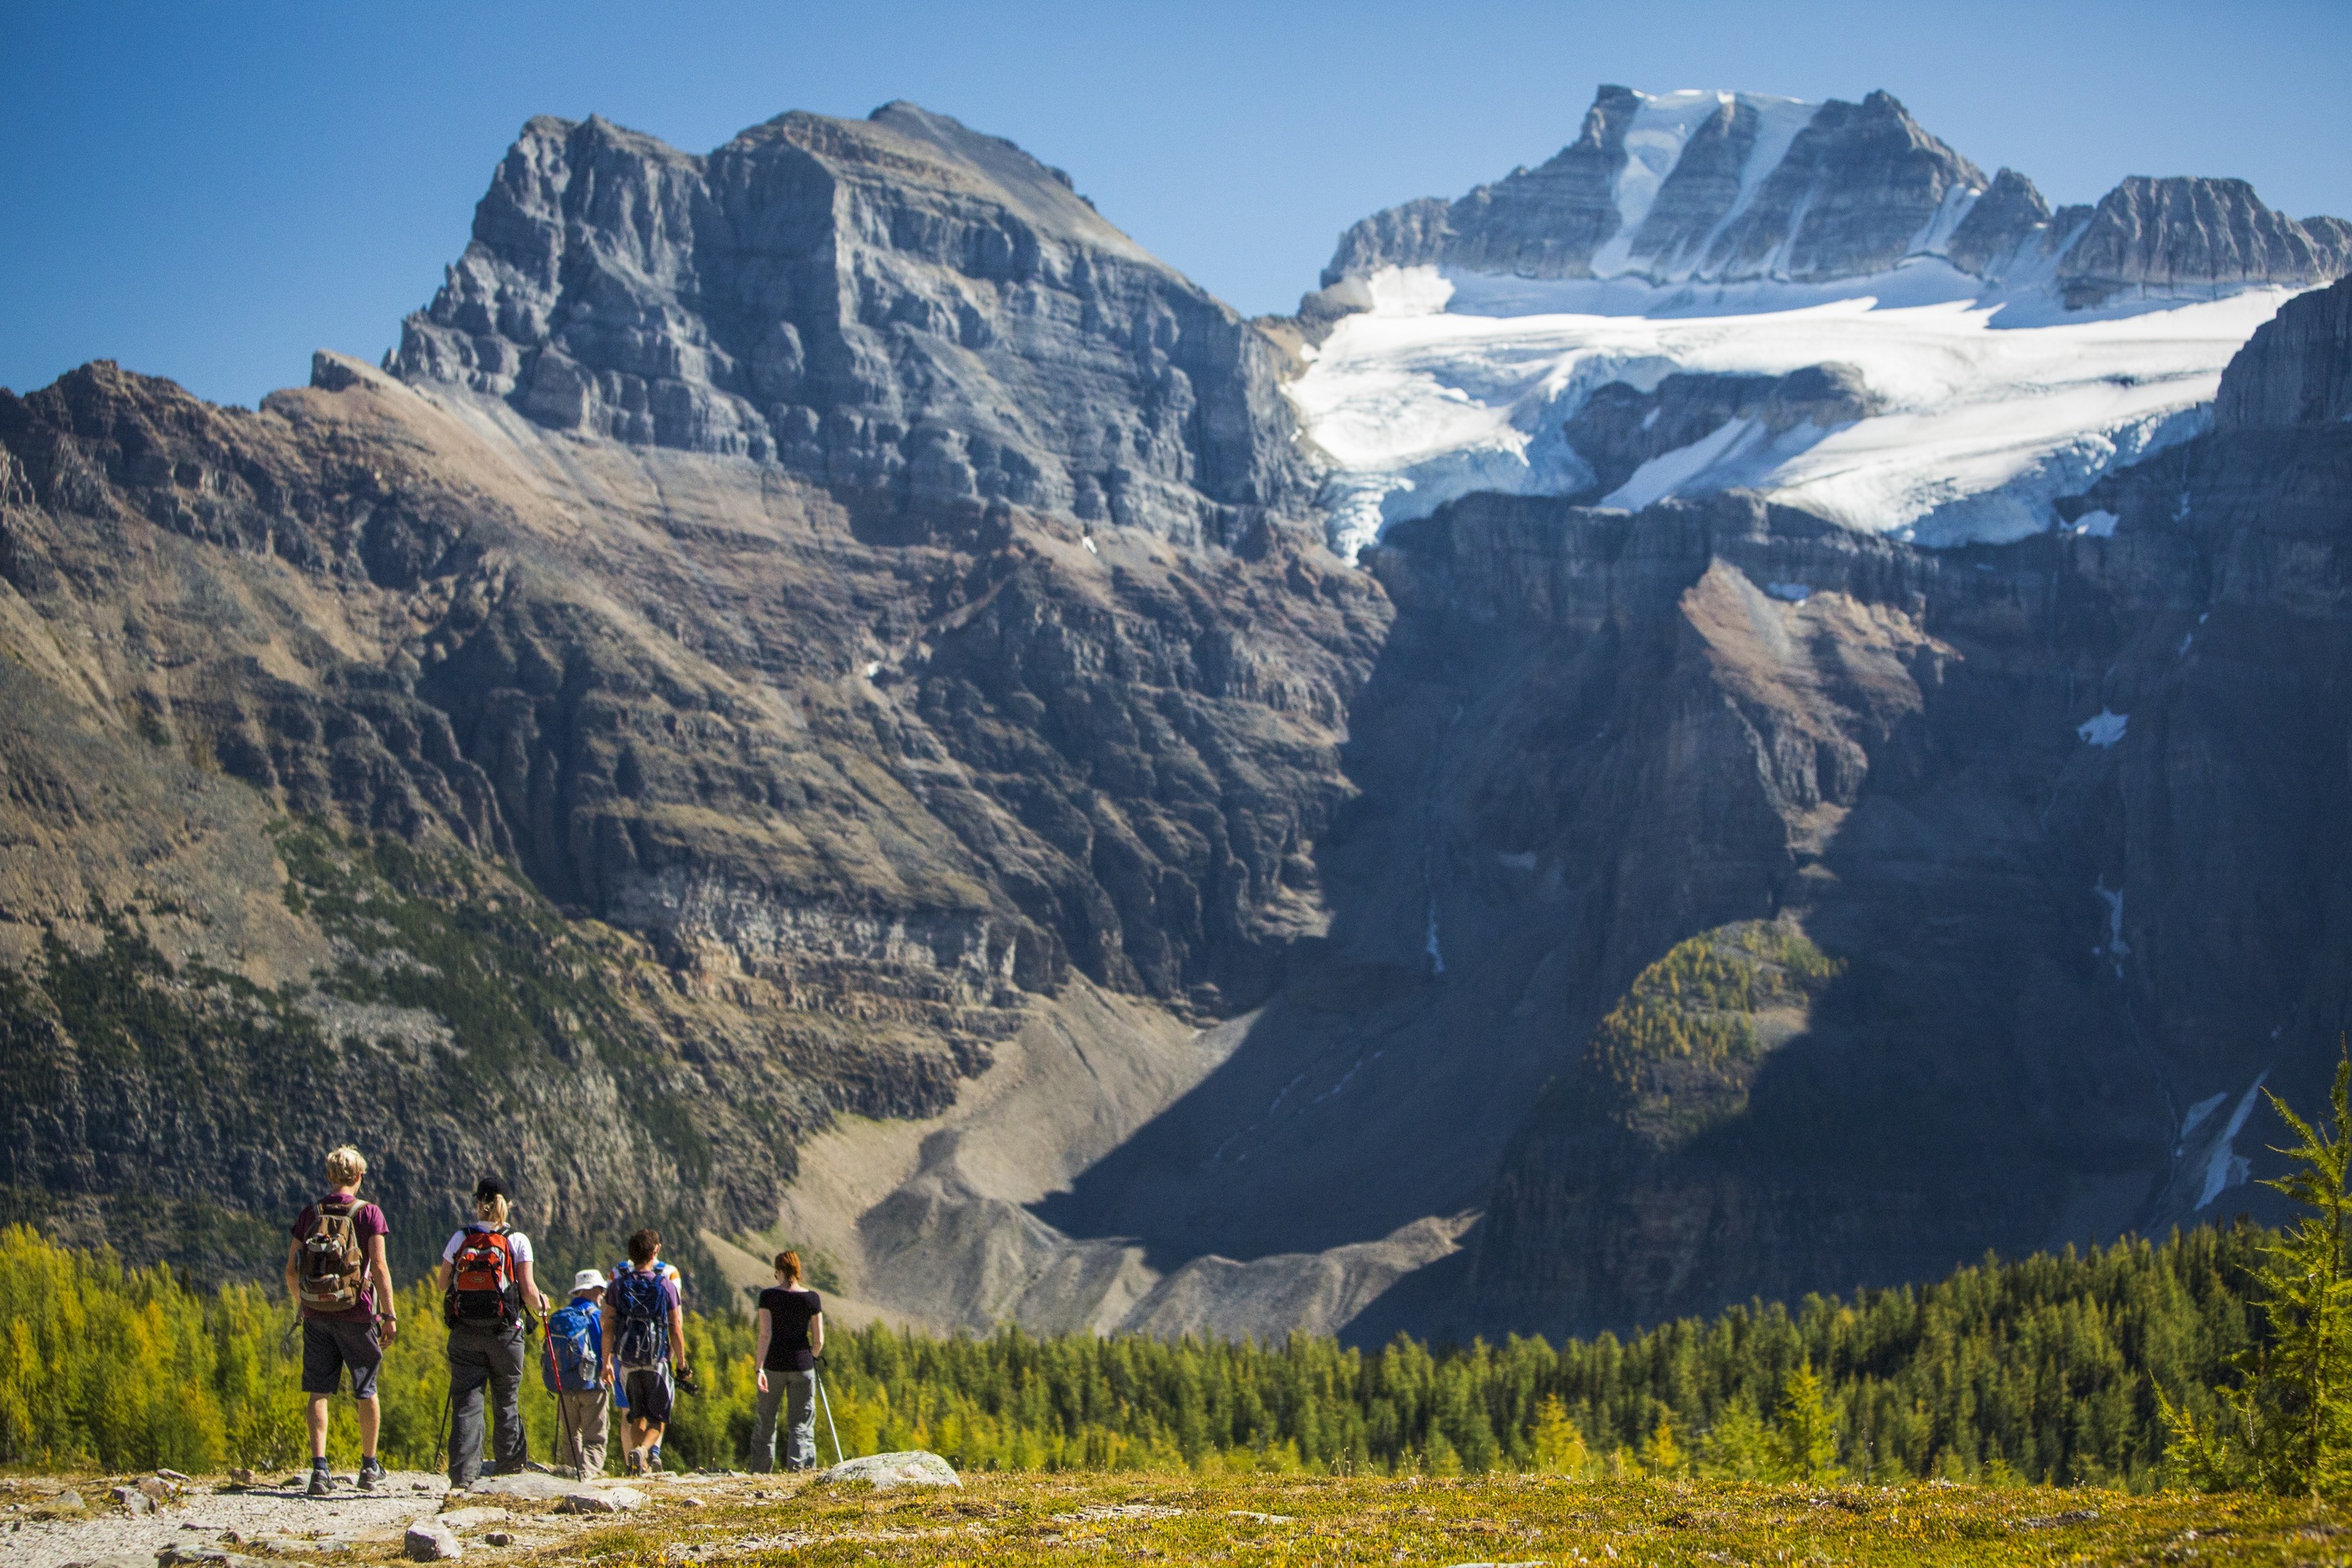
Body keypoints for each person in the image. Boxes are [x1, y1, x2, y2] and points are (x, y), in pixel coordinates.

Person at [285, 1146, 398, 1497]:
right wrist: (389, 1315)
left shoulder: (311, 1213)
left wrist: (303, 1304)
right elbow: (378, 1268)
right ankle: (369, 1467)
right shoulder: (369, 1214)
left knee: (319, 1391)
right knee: (366, 1389)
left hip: (317, 1314)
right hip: (357, 1312)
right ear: (359, 1176)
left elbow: (291, 1269)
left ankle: (319, 1471)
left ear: (330, 1176)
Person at [438, 1177, 547, 1490]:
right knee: (506, 1401)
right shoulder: (517, 1240)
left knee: (467, 1402)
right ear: (507, 1204)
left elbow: (442, 1284)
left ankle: (462, 1476)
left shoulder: (461, 1237)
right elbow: (527, 1291)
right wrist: (541, 1307)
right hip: (505, 1333)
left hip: (465, 1332)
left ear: (477, 1203)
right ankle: (510, 1471)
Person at [607, 1227, 688, 1477]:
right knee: (658, 1416)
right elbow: (676, 1326)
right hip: (657, 1357)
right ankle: (644, 1453)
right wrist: (681, 1363)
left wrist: (607, 1360)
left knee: (632, 1414)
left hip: (626, 1359)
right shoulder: (667, 1278)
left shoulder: (618, 1277)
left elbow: (607, 1323)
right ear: (655, 1251)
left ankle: (634, 1465)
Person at [748, 1250, 825, 1472]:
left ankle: (760, 1472)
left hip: (773, 1366)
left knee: (766, 1420)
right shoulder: (812, 1298)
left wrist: (759, 1368)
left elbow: (765, 1334)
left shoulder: (768, 1297)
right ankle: (800, 1471)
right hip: (802, 1366)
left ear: (779, 1271)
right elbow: (819, 1340)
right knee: (801, 1424)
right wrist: (811, 1357)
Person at [541, 1268, 612, 1477]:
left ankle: (571, 1471)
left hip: (564, 1384)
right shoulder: (597, 1316)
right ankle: (588, 1474)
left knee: (570, 1435)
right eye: (601, 1290)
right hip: (591, 1385)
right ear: (594, 1289)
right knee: (595, 1437)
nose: (602, 1295)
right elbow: (604, 1348)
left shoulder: (560, 1317)